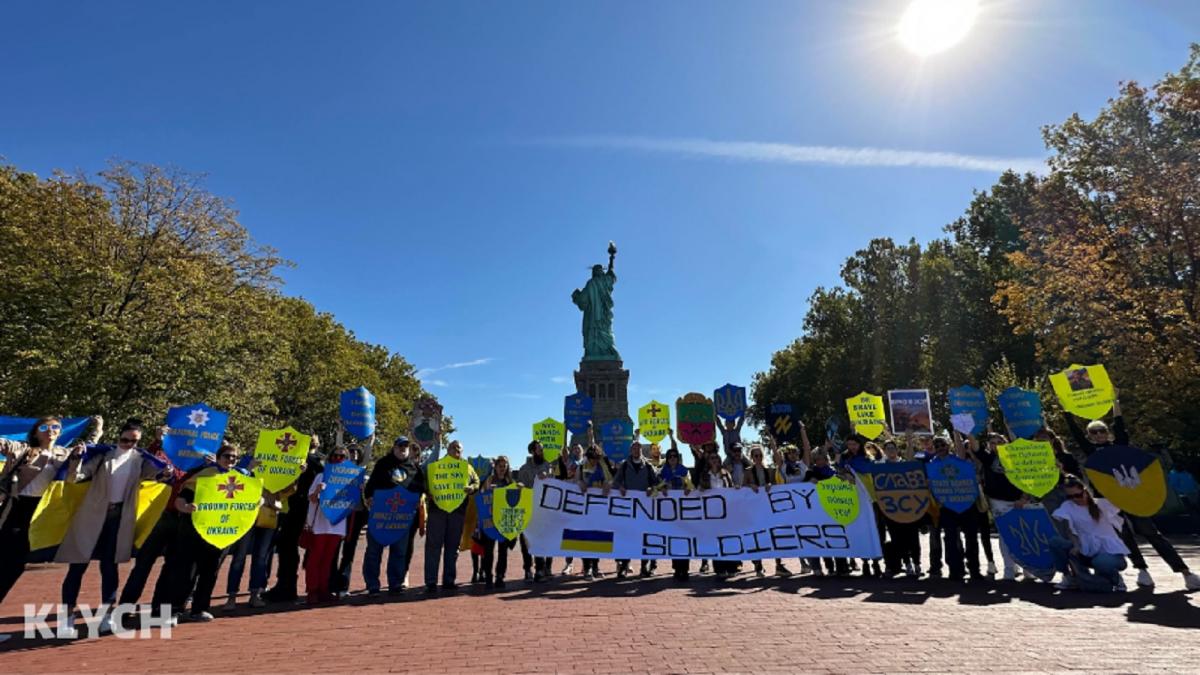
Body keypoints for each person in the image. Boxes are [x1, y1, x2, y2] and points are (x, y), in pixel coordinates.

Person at [1062, 391, 1200, 591]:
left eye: (1102, 431)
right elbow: (1075, 432)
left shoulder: (1120, 446)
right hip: (1108, 501)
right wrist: (1067, 411)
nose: (1099, 434)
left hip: (1131, 495)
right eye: (1094, 432)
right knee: (1125, 537)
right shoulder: (1091, 452)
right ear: (1089, 436)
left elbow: (1121, 427)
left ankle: (1185, 572)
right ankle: (1142, 570)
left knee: (1152, 533)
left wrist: (1115, 403)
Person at [58, 418, 176, 636]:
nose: (128, 444)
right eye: (125, 439)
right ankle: (67, 617)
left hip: (119, 518)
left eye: (133, 441)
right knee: (77, 567)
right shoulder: (104, 455)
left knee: (110, 568)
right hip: (92, 517)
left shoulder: (140, 459)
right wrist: (75, 459)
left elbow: (159, 474)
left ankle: (106, 616)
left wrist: (166, 471)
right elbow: (77, 477)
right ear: (118, 436)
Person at [0, 416, 96, 604]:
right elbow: (4, 444)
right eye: (44, 427)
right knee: (5, 562)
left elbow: (75, 472)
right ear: (36, 432)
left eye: (55, 427)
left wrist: (95, 432)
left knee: (15, 566)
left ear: (60, 432)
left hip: (39, 513)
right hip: (14, 508)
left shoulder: (64, 454)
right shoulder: (24, 449)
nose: (50, 430)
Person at [119, 425, 212, 613]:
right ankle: (125, 607)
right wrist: (158, 441)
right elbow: (148, 462)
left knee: (172, 567)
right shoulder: (165, 454)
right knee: (143, 565)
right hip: (160, 517)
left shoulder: (200, 464)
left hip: (183, 519)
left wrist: (213, 464)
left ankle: (158, 607)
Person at [409, 439, 480, 594]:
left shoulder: (467, 467)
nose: (456, 451)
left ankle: (449, 580)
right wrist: (428, 492)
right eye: (453, 448)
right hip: (437, 511)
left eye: (459, 449)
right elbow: (425, 482)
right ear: (447, 450)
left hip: (458, 512)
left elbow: (476, 482)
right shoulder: (436, 466)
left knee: (452, 547)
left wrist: (472, 488)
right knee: (433, 546)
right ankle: (431, 582)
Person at [263, 443, 323, 603]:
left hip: (298, 509)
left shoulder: (311, 462)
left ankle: (287, 587)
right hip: (294, 508)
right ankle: (285, 585)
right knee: (286, 546)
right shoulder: (313, 462)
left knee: (287, 546)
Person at [1050, 476, 1129, 593]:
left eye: (1078, 495)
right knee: (1056, 542)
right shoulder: (1068, 506)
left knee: (1101, 562)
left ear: (1085, 490)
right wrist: (1076, 545)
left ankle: (1116, 579)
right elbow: (1069, 530)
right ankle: (1069, 577)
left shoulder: (1101, 505)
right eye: (1070, 496)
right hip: (1085, 550)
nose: (1075, 499)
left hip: (1108, 553)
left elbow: (1123, 502)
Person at [361, 436, 415, 596]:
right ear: (394, 447)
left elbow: (420, 488)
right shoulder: (383, 464)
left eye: (406, 446)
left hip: (401, 518)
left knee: (399, 552)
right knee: (374, 551)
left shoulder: (413, 468)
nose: (403, 448)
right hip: (380, 517)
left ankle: (395, 583)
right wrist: (369, 497)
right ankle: (372, 584)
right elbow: (370, 487)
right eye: (400, 445)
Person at [302, 447, 350, 604]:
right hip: (320, 525)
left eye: (342, 456)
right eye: (335, 455)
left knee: (328, 560)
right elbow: (312, 498)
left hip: (337, 525)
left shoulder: (349, 479)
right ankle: (312, 590)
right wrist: (317, 490)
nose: (338, 458)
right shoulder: (321, 476)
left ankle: (324, 589)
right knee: (315, 559)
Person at [613, 438, 660, 578]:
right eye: (634, 448)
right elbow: (615, 481)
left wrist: (652, 488)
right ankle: (624, 565)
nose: (636, 450)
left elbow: (657, 483)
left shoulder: (648, 466)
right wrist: (620, 487)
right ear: (630, 450)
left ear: (641, 450)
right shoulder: (625, 465)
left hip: (645, 508)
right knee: (627, 537)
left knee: (644, 537)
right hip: (629, 508)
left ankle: (644, 566)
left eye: (638, 448)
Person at [743, 443, 790, 578]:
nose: (758, 457)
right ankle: (758, 566)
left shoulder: (769, 470)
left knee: (774, 535)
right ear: (752, 457)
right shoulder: (747, 471)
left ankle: (778, 564)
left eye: (760, 455)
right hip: (754, 509)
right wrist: (750, 485)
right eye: (755, 455)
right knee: (757, 535)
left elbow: (776, 484)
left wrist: (770, 485)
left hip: (769, 507)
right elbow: (741, 488)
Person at [655, 435, 694, 582]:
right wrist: (662, 488)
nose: (672, 458)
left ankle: (685, 569)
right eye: (670, 456)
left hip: (683, 510)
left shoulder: (684, 470)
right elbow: (657, 486)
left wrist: (688, 489)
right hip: (669, 510)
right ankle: (677, 568)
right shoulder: (662, 472)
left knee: (685, 539)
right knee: (674, 539)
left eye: (674, 456)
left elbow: (690, 485)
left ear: (678, 458)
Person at [576, 431, 613, 580]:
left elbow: (610, 481)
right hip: (585, 508)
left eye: (596, 459)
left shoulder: (602, 467)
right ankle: (587, 568)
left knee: (598, 537)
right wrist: (579, 483)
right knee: (586, 538)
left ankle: (596, 566)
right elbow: (575, 481)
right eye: (591, 459)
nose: (593, 461)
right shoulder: (581, 467)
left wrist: (607, 485)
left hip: (599, 507)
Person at [694, 449, 737, 579]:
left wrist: (737, 489)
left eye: (716, 458)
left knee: (728, 540)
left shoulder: (726, 474)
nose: (714, 460)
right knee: (716, 540)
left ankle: (731, 567)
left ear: (719, 460)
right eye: (711, 458)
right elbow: (699, 490)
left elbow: (732, 488)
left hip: (726, 511)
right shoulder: (705, 475)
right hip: (711, 513)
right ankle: (719, 569)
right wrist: (700, 489)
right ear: (709, 461)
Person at [478, 455, 518, 589]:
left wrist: (520, 489)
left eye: (504, 466)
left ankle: (500, 576)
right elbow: (482, 495)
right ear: (495, 467)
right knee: (488, 550)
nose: (502, 468)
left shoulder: (510, 481)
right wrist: (489, 490)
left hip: (504, 521)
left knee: (503, 551)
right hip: (490, 521)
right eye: (500, 466)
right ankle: (488, 575)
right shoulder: (489, 479)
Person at [517, 439, 554, 582]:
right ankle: (527, 568)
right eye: (539, 449)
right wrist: (521, 486)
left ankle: (540, 568)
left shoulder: (547, 466)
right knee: (526, 539)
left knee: (540, 538)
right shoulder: (524, 469)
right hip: (527, 508)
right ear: (533, 451)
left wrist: (548, 477)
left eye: (542, 449)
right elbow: (521, 486)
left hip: (543, 510)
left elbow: (554, 482)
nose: (541, 451)